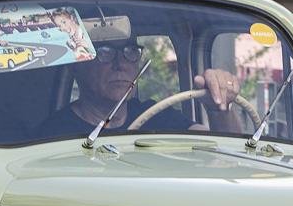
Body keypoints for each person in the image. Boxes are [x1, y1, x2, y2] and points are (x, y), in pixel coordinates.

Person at [34, 43, 244, 138]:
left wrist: (220, 107)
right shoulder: (52, 134)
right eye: (105, 52)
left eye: (130, 51)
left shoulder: (156, 117)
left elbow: (223, 150)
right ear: (76, 66)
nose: (121, 64)